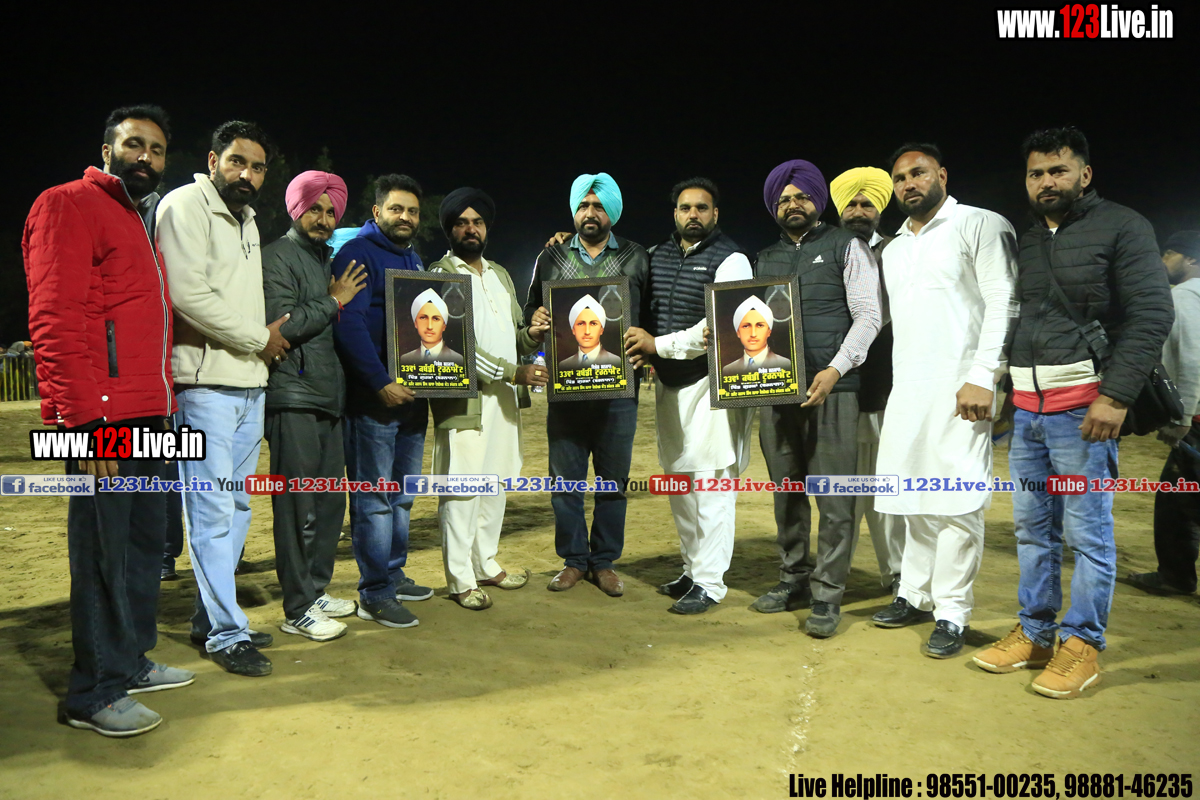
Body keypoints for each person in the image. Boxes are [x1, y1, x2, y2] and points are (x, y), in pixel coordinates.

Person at [974, 128, 1174, 695]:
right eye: (1036, 173)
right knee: (1033, 531)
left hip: (1084, 408)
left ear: (1084, 174)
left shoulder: (1123, 226)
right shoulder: (1027, 238)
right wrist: (1006, 390)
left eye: (1058, 170)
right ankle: (1037, 633)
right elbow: (1018, 318)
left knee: (1088, 534)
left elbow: (1152, 313)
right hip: (1029, 410)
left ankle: (1082, 643)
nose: (1046, 182)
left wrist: (1116, 396)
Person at [23, 104, 191, 737]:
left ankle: (132, 662)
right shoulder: (66, 203)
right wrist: (80, 423)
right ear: (106, 150)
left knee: (145, 547)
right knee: (102, 552)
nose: (145, 156)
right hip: (103, 417)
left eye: (156, 148)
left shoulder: (138, 220)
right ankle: (93, 692)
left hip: (151, 412)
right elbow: (55, 319)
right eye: (133, 144)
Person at [870, 142, 1018, 659]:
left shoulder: (981, 224)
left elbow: (1004, 301)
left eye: (919, 173)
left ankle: (952, 612)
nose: (909, 184)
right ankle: (914, 593)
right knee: (914, 496)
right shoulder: (893, 250)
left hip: (963, 387)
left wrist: (984, 376)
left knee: (957, 502)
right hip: (909, 387)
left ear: (943, 175)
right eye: (900, 178)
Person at [157, 120, 285, 678]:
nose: (246, 174)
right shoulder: (184, 206)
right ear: (213, 161)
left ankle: (211, 617)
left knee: (235, 507)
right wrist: (260, 339)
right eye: (237, 161)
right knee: (210, 512)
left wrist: (257, 355)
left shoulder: (247, 219)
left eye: (257, 167)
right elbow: (186, 294)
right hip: (203, 386)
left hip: (249, 384)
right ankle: (227, 633)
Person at [751, 159, 882, 638]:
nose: (793, 205)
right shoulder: (764, 258)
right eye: (784, 199)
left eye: (802, 196)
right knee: (787, 494)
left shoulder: (847, 245)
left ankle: (827, 595)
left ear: (818, 200)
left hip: (835, 391)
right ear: (774, 206)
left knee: (835, 498)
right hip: (776, 392)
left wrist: (835, 369)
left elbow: (868, 317)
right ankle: (794, 579)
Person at [624, 177, 754, 614]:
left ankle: (710, 583)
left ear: (715, 214)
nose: (692, 214)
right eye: (685, 208)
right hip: (669, 385)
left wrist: (656, 345)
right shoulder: (656, 255)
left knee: (711, 486)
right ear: (675, 213)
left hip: (712, 386)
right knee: (680, 483)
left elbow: (719, 326)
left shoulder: (732, 260)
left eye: (701, 207)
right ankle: (692, 569)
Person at [525, 173, 649, 595]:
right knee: (566, 484)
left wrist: (647, 346)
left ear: (611, 211)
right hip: (567, 393)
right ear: (574, 211)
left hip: (619, 393)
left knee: (613, 483)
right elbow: (530, 311)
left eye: (598, 206)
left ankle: (605, 562)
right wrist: (535, 320)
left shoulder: (636, 257)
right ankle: (574, 560)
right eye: (583, 205)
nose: (590, 213)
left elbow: (649, 313)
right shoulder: (552, 257)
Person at [428, 188, 547, 609]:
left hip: (505, 401)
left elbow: (513, 336)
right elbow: (454, 344)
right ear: (450, 230)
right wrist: (513, 371)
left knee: (495, 482)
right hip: (466, 403)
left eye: (477, 222)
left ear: (486, 228)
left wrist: (531, 335)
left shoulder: (499, 275)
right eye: (461, 223)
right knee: (463, 488)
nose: (470, 229)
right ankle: (460, 579)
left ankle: (485, 562)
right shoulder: (440, 274)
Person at [262, 170, 366, 642]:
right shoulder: (276, 257)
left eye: (330, 211)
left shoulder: (327, 260)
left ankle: (316, 591)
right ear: (297, 208)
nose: (324, 219)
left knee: (327, 505)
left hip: (329, 397)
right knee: (296, 506)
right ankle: (297, 607)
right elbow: (282, 325)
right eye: (315, 209)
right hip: (293, 397)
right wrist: (333, 300)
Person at [332, 174, 433, 629]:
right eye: (396, 209)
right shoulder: (357, 253)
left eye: (412, 211)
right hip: (374, 401)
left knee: (402, 495)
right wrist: (379, 382)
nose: (405, 217)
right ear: (377, 212)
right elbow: (348, 324)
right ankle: (374, 591)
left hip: (413, 399)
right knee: (373, 499)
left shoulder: (413, 259)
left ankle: (393, 573)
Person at [830, 166, 904, 596]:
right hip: (837, 391)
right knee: (841, 494)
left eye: (867, 204)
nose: (858, 211)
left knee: (884, 492)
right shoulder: (828, 250)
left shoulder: (899, 251)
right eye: (851, 204)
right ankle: (833, 576)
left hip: (886, 388)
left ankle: (896, 575)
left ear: (880, 209)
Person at [1130, 231, 1200, 596]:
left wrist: (1182, 417)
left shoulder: (1185, 297)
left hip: (1198, 420)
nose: (1161, 261)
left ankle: (1175, 576)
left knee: (1180, 497)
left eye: (1168, 254)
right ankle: (1175, 575)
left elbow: (1191, 359)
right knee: (1176, 497)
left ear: (1191, 259)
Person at [721, 295, 792, 376]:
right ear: (738, 332)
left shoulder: (784, 364)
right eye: (746, 326)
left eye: (760, 325)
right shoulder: (729, 370)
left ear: (769, 331)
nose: (753, 334)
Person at [399, 289, 464, 365]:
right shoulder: (406, 359)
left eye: (436, 319)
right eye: (423, 318)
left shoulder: (457, 359)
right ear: (415, 323)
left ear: (444, 326)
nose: (429, 326)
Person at [557, 295, 622, 369]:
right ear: (573, 330)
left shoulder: (615, 362)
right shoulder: (564, 365)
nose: (587, 331)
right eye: (581, 324)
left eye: (593, 324)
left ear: (601, 329)